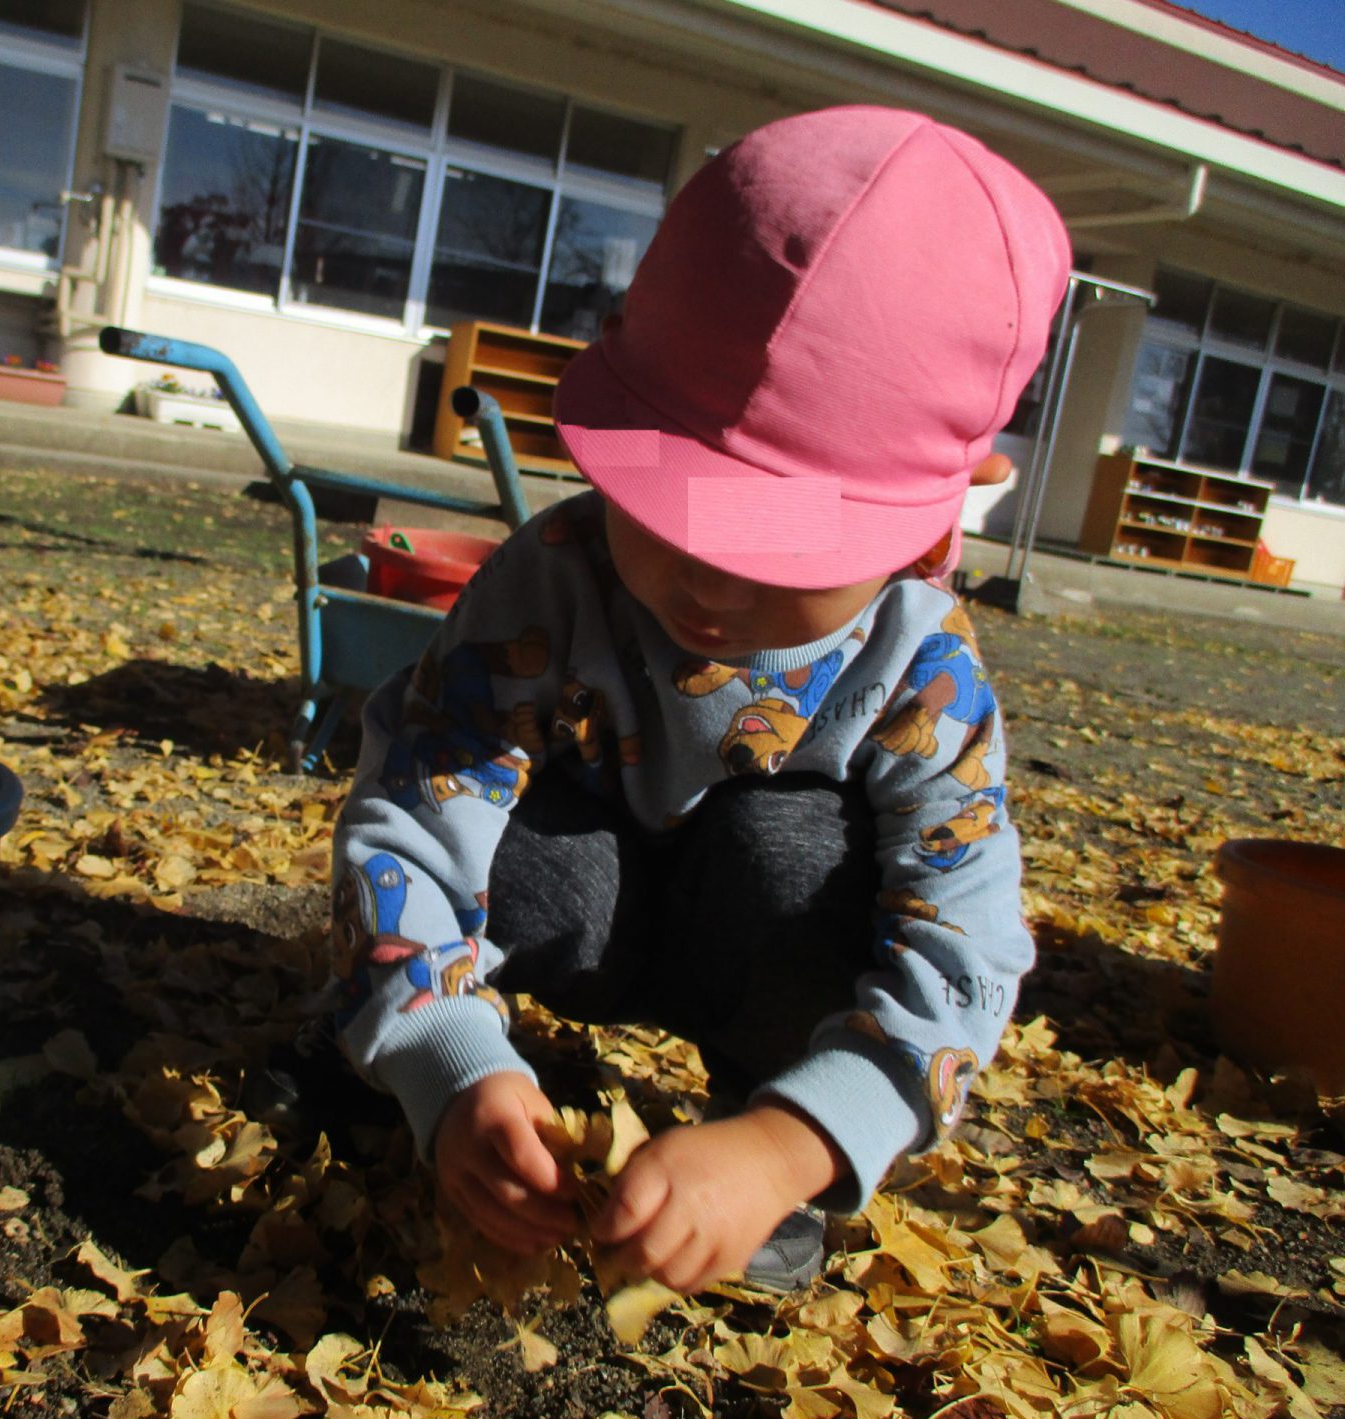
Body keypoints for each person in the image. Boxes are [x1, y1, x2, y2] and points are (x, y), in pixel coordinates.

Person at [324, 104, 1070, 1293]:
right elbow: (414, 814)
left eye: (787, 542)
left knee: (799, 847)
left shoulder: (921, 671)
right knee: (505, 839)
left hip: (762, 947)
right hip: (584, 907)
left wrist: (792, 1143)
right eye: (670, 505)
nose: (711, 583)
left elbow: (964, 939)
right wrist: (450, 1061)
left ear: (961, 494)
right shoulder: (554, 582)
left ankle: (764, 1114)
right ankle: (396, 1046)